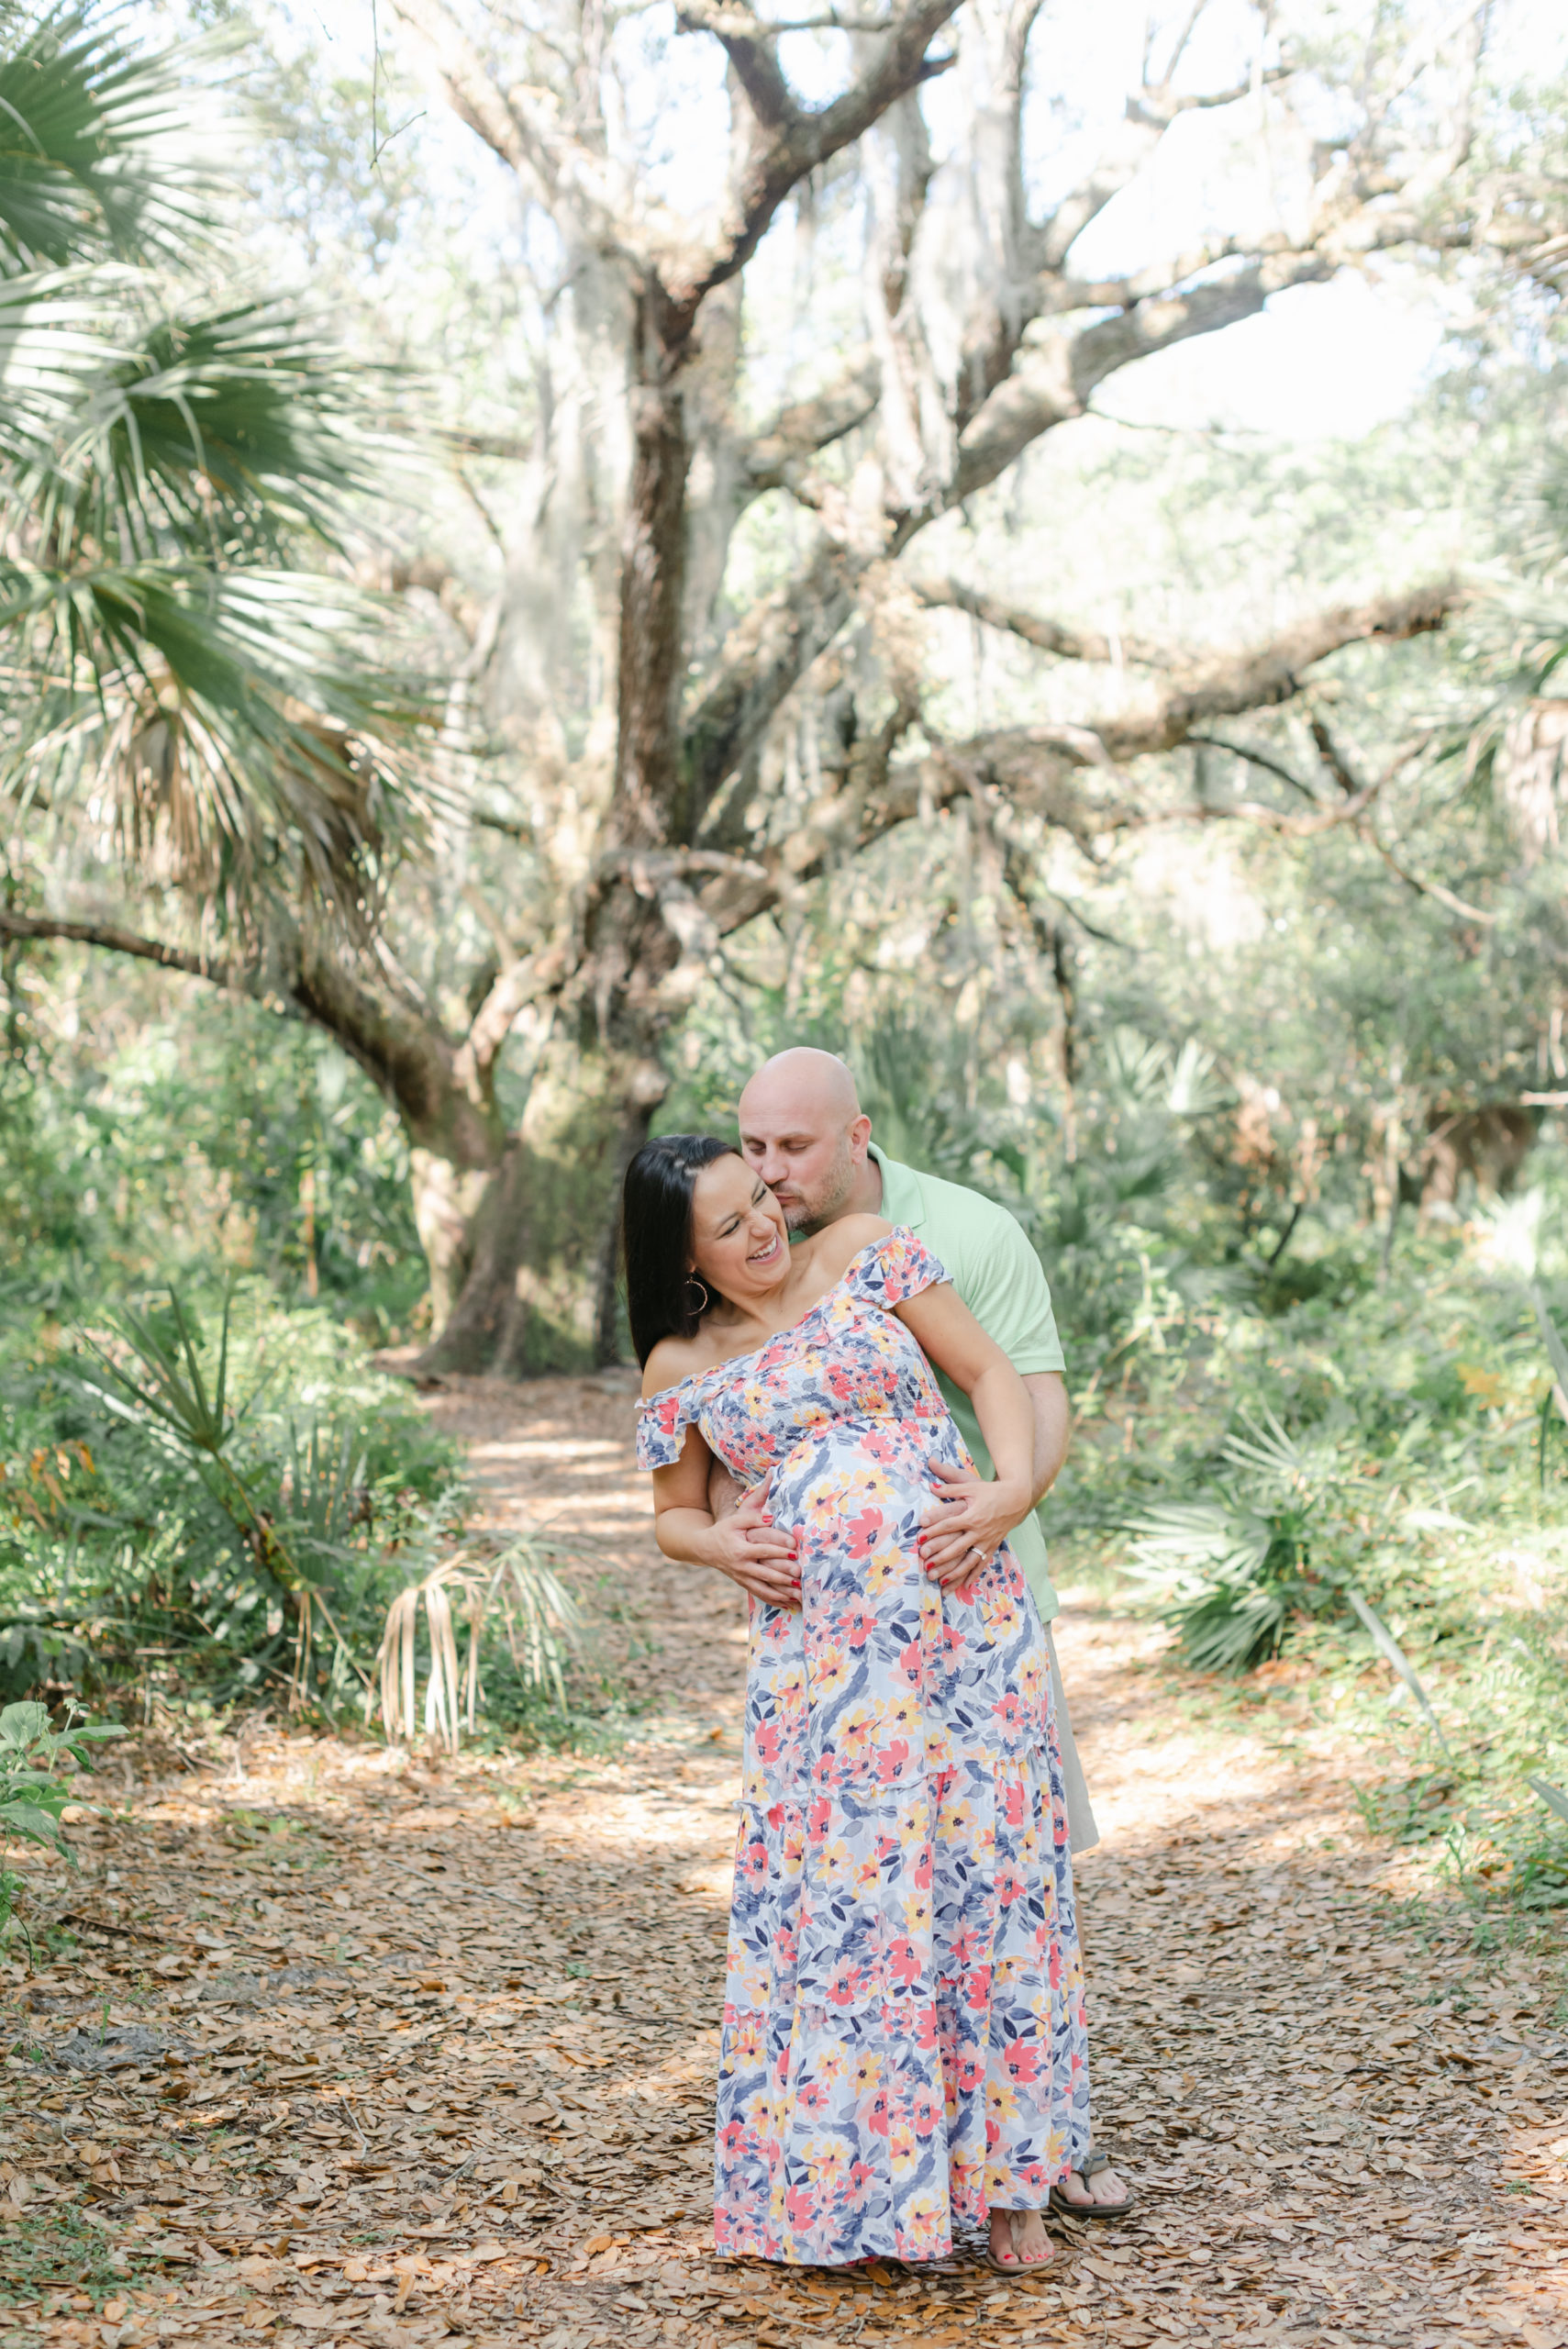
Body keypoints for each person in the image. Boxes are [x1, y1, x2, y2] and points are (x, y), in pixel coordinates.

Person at [626, 1132, 1092, 2271]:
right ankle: (864, 2193)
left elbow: (989, 1375)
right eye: (727, 1225)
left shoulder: (871, 1253)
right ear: (682, 1259)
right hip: (821, 1687)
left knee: (989, 1883)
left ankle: (1010, 2190)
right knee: (851, 1914)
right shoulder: (678, 1365)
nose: (761, 1226)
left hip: (962, 1638)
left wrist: (1002, 1493)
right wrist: (719, 1541)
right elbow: (671, 1513)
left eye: (760, 1200)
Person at [721, 1046, 1129, 2221]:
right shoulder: (751, 1248)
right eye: (752, 1146)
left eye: (793, 1147)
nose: (770, 1171)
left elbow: (1030, 1386)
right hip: (841, 1649)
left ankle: (1046, 2143)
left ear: (857, 1134)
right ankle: (883, 2150)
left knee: (1009, 1874)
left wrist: (1011, 1495)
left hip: (982, 1603)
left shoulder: (963, 1228)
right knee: (873, 1886)